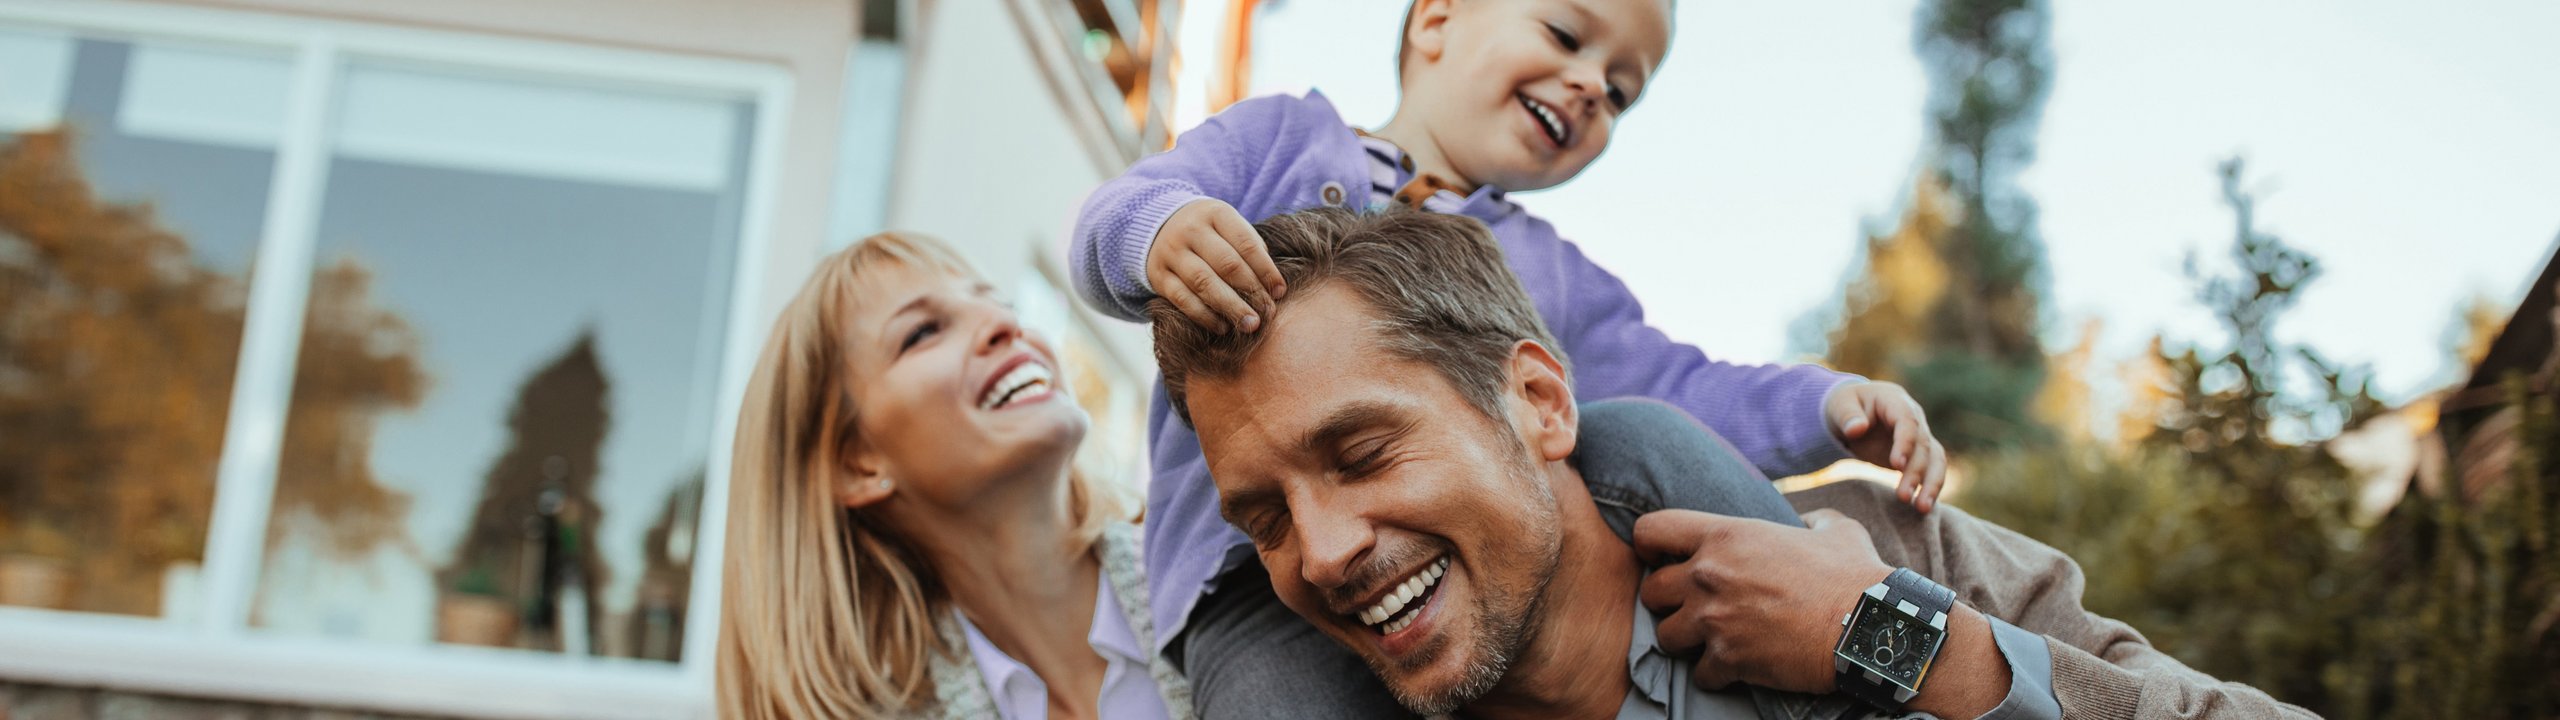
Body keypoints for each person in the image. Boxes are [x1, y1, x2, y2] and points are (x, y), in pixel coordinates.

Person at [1070, 0, 1948, 713]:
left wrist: (1826, 406)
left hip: (1456, 571)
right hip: (1251, 591)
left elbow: (1681, 384)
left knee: (1642, 435)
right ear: (1438, 19)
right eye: (1566, 34)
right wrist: (1160, 235)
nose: (1590, 87)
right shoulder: (1281, 141)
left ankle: (1830, 656)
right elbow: (1126, 204)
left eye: (1621, 90)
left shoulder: (1549, 274)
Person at [1152, 207, 2318, 719]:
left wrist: (1897, 642)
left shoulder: (1887, 552)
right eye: (1263, 519)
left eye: (1358, 453)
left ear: (1539, 402)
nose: (1322, 549)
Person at [715, 232, 1192, 720]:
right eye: (923, 332)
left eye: (1001, 303)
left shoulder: (1217, 578)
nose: (1005, 323)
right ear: (857, 463)